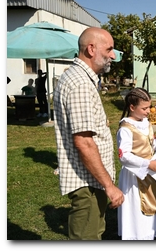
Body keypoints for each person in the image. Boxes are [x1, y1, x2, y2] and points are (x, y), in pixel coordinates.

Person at [53, 27, 124, 240]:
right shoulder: (81, 84)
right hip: (88, 182)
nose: (113, 55)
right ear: (91, 49)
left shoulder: (79, 78)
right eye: (109, 49)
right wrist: (109, 186)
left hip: (90, 180)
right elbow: (83, 142)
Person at [116, 87, 156, 240]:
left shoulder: (145, 123)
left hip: (149, 173)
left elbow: (153, 142)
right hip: (134, 176)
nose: (149, 111)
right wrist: (147, 164)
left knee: (150, 204)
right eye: (144, 108)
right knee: (136, 210)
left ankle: (148, 236)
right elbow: (124, 156)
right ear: (132, 107)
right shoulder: (125, 129)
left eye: (149, 107)